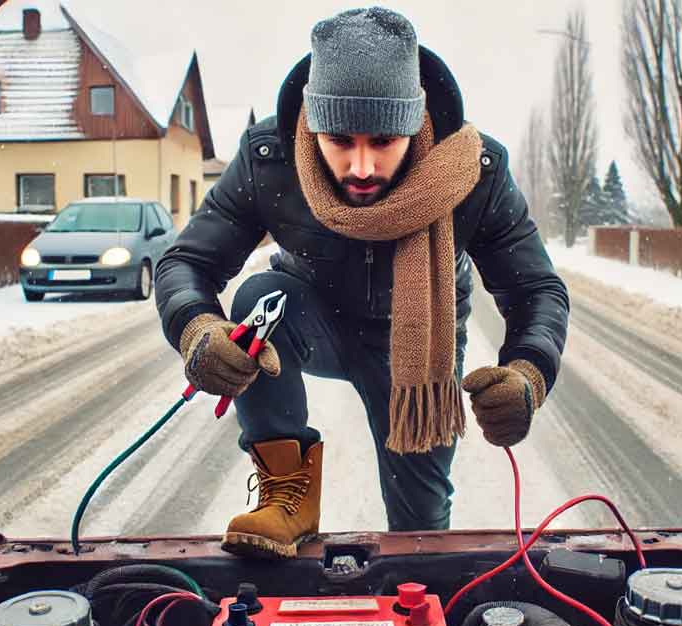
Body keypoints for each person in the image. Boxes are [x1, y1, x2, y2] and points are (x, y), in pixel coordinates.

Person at [155, 6, 568, 559]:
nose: (363, 166)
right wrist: (198, 330)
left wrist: (529, 373)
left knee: (420, 526)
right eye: (341, 140)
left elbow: (536, 290)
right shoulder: (269, 161)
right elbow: (186, 262)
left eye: (383, 140)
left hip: (417, 355)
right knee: (259, 296)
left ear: (414, 119)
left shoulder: (475, 173)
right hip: (313, 321)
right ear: (313, 120)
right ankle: (285, 497)